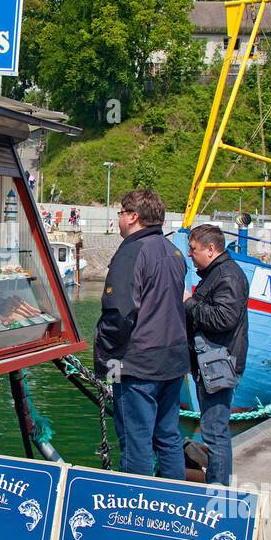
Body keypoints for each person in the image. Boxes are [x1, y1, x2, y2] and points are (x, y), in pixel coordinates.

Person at [93, 188, 189, 479]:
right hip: (172, 359)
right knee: (168, 436)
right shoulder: (173, 251)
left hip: (135, 363)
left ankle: (135, 511)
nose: (119, 219)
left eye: (121, 213)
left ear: (134, 216)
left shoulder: (132, 252)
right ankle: (175, 501)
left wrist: (104, 360)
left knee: (136, 443)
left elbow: (119, 313)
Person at [185, 223, 249, 487]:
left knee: (214, 432)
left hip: (219, 364)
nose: (190, 254)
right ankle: (217, 484)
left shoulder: (227, 276)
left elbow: (223, 319)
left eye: (194, 249)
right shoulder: (219, 274)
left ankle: (218, 488)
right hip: (213, 361)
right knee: (214, 430)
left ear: (210, 249)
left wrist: (188, 303)